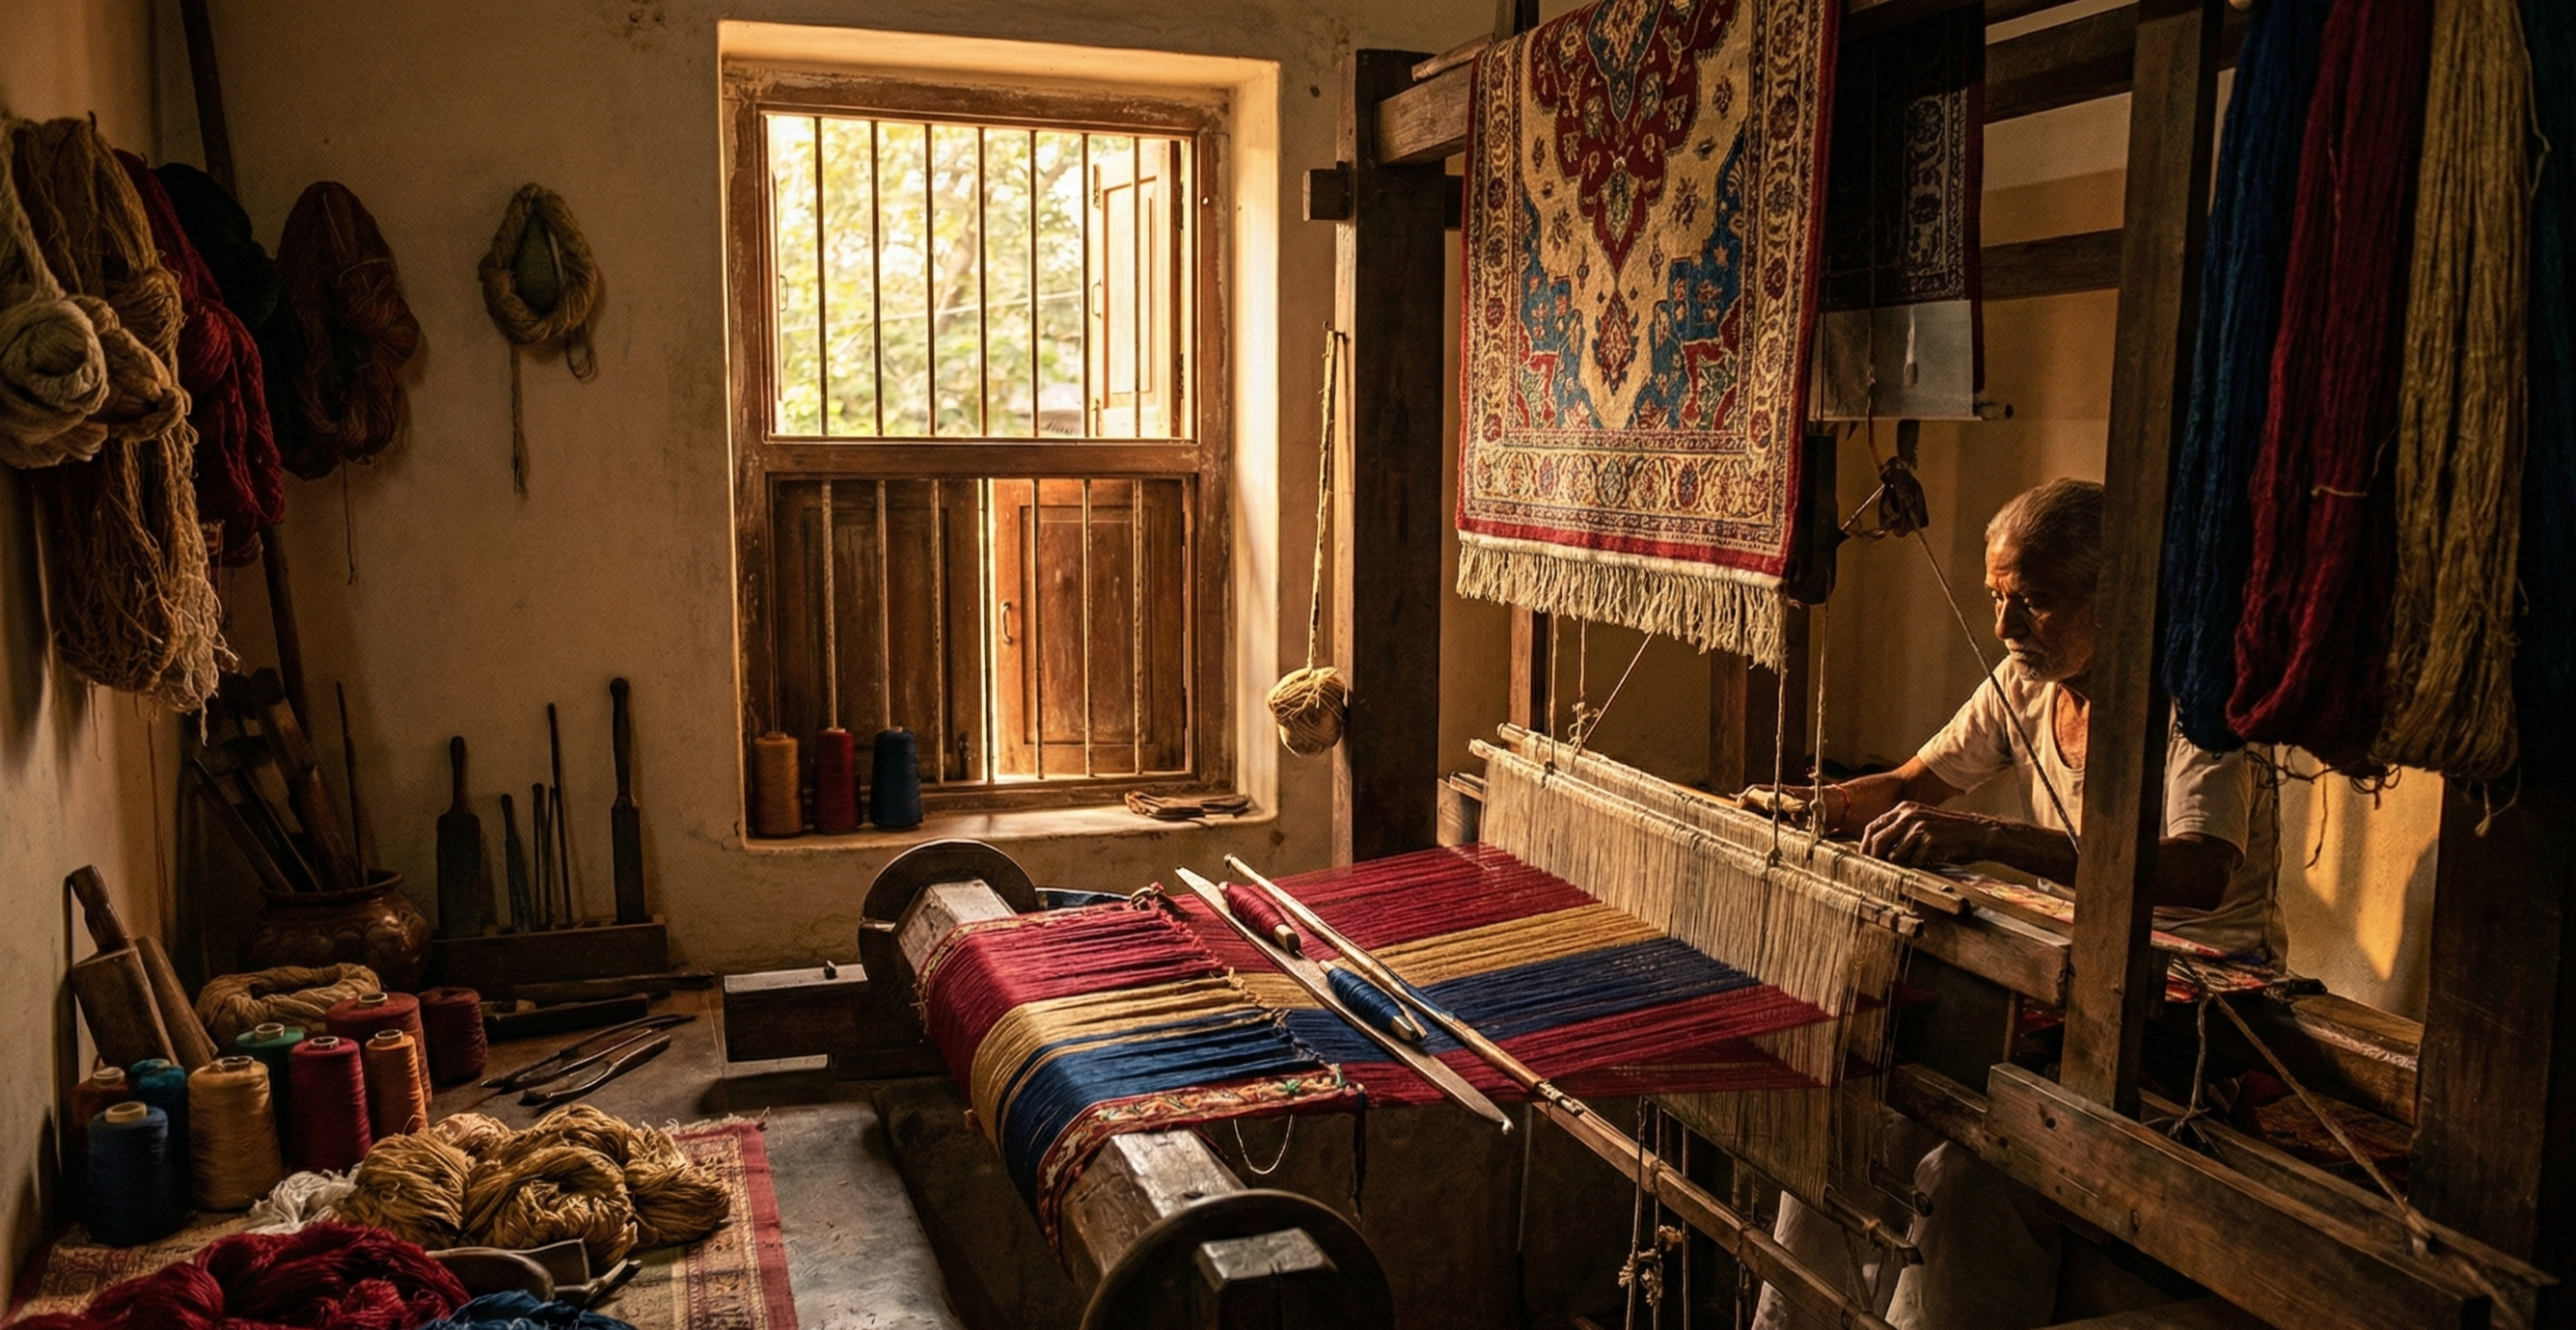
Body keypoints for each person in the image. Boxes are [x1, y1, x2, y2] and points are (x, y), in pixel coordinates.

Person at [1748, 477, 2282, 1329]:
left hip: (2189, 1017)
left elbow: (2200, 871)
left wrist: (1997, 840)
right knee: (1849, 1121)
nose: (2005, 628)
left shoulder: (2195, 695)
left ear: (2117, 592)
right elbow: (1918, 780)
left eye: (2031, 601)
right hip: (2057, 985)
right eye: (1997, 599)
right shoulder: (2029, 680)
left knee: (1963, 1183)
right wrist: (1821, 805)